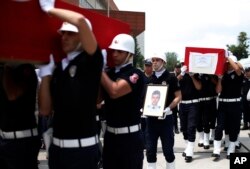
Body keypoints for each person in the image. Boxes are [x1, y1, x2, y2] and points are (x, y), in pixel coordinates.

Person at [38, 0, 103, 169]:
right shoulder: (59, 68)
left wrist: (50, 9)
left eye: (70, 33)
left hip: (82, 151)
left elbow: (80, 21)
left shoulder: (91, 61)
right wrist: (46, 75)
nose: (64, 37)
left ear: (83, 36)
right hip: (58, 150)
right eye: (63, 33)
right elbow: (45, 110)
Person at [100, 33, 145, 169]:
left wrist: (99, 69)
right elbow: (97, 99)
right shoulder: (109, 73)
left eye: (119, 51)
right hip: (110, 136)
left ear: (129, 53)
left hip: (129, 138)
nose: (114, 54)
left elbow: (114, 91)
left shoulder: (135, 73)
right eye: (113, 50)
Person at [0, 63, 41, 169]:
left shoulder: (26, 68)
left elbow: (12, 94)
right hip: (4, 138)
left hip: (22, 140)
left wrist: (7, 66)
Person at [145, 53, 181, 169]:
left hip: (166, 119)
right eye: (153, 60)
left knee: (168, 150)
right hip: (151, 120)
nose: (154, 62)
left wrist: (168, 108)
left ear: (163, 62)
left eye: (157, 60)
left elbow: (178, 96)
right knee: (150, 150)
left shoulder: (171, 77)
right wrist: (143, 108)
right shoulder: (149, 78)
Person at [212, 53, 243, 160]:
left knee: (233, 128)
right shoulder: (223, 74)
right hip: (223, 104)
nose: (228, 65)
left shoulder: (239, 73)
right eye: (226, 63)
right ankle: (216, 150)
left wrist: (227, 56)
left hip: (235, 104)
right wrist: (220, 79)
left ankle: (231, 149)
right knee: (219, 127)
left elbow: (237, 69)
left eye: (230, 63)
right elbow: (218, 90)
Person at [177, 65, 202, 163]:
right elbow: (173, 83)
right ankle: (187, 147)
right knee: (183, 128)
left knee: (191, 127)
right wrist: (181, 74)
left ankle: (190, 151)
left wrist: (192, 76)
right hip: (182, 104)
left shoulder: (195, 74)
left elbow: (199, 87)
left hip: (193, 103)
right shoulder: (180, 75)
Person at [196, 74, 218, 150]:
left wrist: (210, 75)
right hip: (198, 101)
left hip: (210, 99)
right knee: (198, 121)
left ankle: (208, 138)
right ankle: (201, 138)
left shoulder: (211, 74)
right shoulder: (195, 75)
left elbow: (216, 83)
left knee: (209, 120)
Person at [171, 62, 182, 134]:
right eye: (176, 67)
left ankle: (179, 127)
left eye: (178, 67)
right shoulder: (172, 75)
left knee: (180, 113)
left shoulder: (183, 74)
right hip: (174, 96)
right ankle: (174, 128)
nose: (177, 69)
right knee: (174, 113)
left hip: (181, 95)